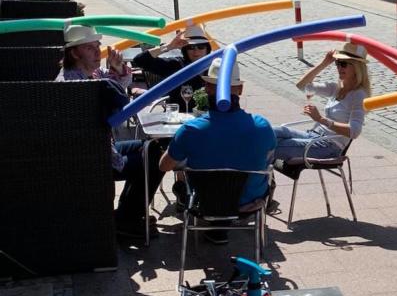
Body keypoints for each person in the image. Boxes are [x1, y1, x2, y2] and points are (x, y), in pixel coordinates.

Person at [56, 24, 164, 241]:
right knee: (156, 160)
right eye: (89, 48)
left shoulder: (88, 73)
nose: (98, 52)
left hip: (104, 147)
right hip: (92, 158)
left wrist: (116, 68)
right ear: (74, 52)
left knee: (153, 148)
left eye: (98, 45)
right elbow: (113, 108)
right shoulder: (72, 85)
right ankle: (127, 218)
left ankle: (126, 214)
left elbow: (119, 84)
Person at [160, 57, 276, 241]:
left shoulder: (191, 130)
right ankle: (221, 230)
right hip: (249, 202)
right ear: (240, 89)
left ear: (207, 88)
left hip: (204, 203)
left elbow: (163, 166)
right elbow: (269, 157)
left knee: (181, 183)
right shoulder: (262, 126)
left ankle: (215, 228)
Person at [273, 42, 369, 163]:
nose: (339, 68)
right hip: (314, 136)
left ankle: (258, 179)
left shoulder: (359, 95)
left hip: (329, 147)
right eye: (337, 63)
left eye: (343, 64)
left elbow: (354, 131)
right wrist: (324, 63)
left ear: (357, 67)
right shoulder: (336, 87)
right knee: (272, 132)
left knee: (268, 146)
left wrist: (321, 119)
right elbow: (302, 85)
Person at [131, 25, 212, 111]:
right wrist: (168, 46)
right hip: (180, 118)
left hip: (210, 118)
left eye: (201, 47)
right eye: (191, 47)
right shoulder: (177, 65)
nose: (196, 51)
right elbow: (140, 60)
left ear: (207, 49)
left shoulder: (216, 66)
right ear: (185, 50)